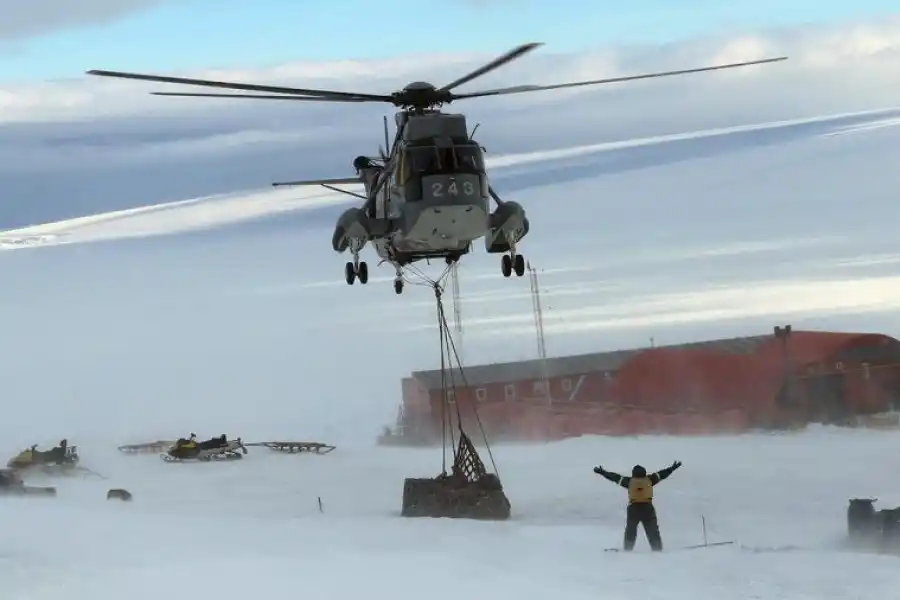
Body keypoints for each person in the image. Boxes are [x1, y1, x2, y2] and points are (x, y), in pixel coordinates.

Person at [593, 460, 682, 552]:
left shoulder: (629, 481)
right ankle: (657, 549)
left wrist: (602, 472)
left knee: (630, 531)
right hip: (648, 508)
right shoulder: (650, 479)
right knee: (653, 531)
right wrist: (673, 468)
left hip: (634, 509)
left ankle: (628, 549)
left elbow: (615, 477)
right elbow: (663, 474)